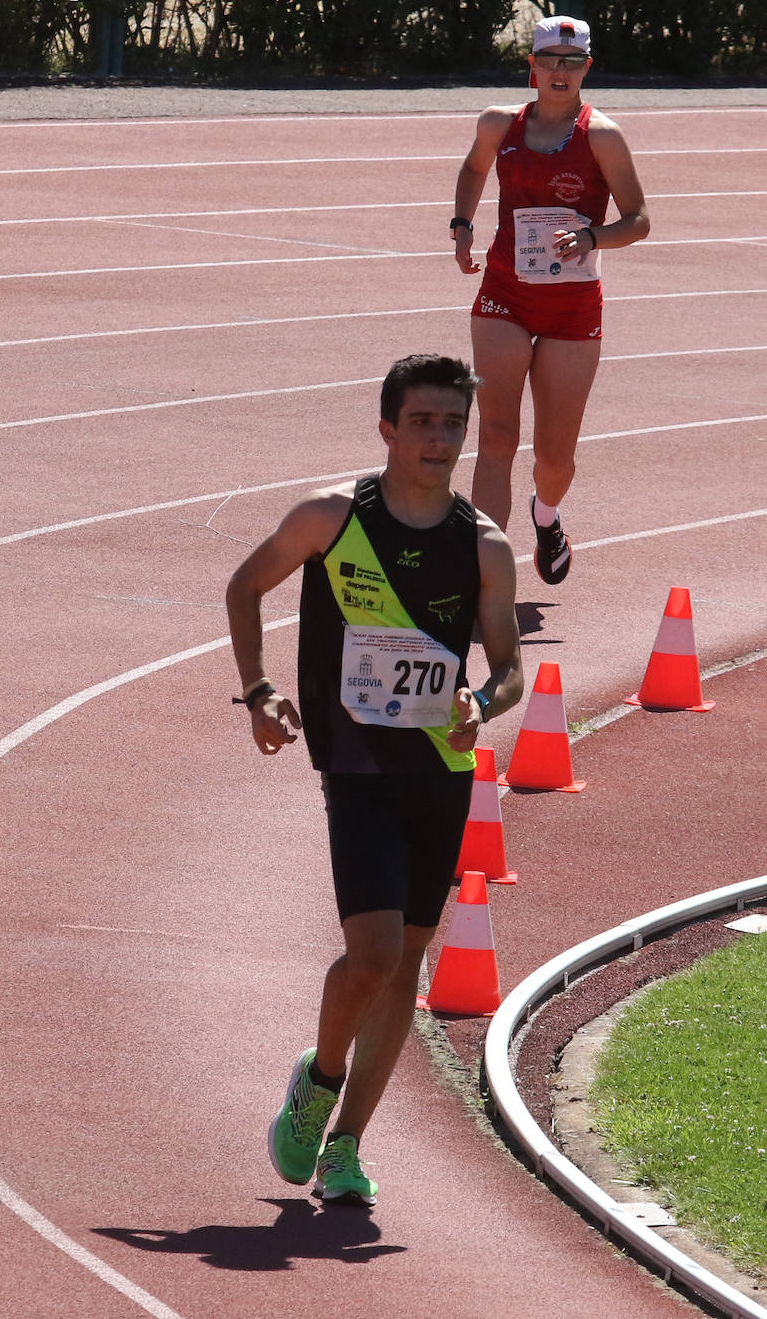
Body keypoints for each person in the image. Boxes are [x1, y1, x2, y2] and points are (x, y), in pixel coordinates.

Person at [225, 353, 523, 1207]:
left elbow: (508, 669)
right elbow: (245, 585)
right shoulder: (331, 518)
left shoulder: (484, 547)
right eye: (422, 421)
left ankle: (346, 1145)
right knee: (373, 955)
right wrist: (257, 691)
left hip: (439, 770)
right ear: (387, 427)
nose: (439, 438)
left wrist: (483, 703)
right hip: (355, 767)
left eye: (453, 424)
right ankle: (318, 1081)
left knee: (407, 964)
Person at [451, 14, 650, 584]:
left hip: (571, 308)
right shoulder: (498, 124)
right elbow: (472, 168)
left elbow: (639, 219)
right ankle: (482, 572)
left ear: (587, 67)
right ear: (531, 68)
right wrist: (462, 225)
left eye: (572, 61)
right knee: (494, 435)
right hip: (505, 295)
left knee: (554, 455)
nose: (559, 71)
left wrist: (593, 237)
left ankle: (547, 515)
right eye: (549, 61)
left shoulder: (602, 136)